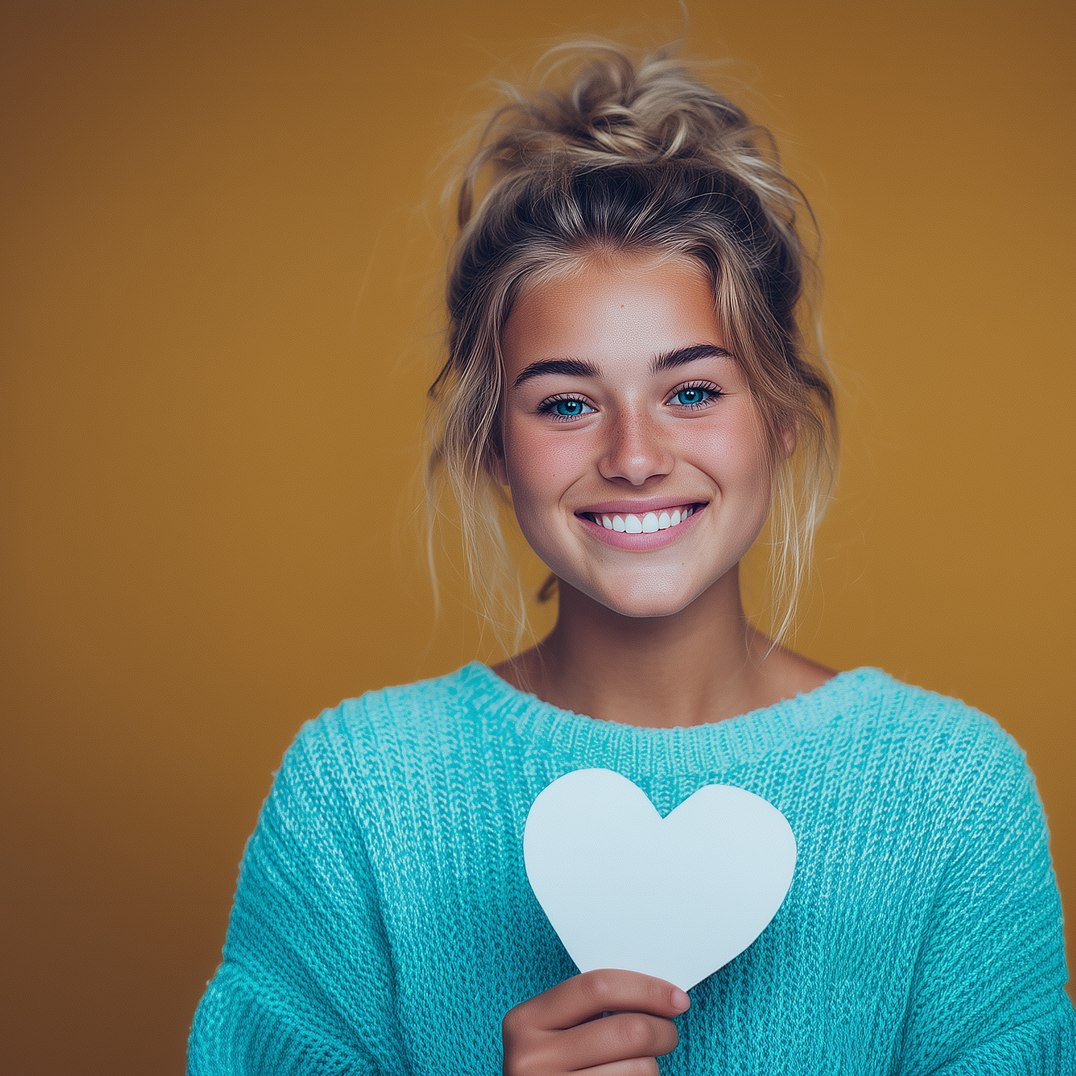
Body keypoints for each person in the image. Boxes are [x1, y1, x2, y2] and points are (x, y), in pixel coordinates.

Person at [187, 42, 1074, 1075]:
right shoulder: (353, 796)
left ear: (779, 416)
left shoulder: (951, 795)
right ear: (492, 443)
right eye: (566, 402)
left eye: (691, 389)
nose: (634, 455)